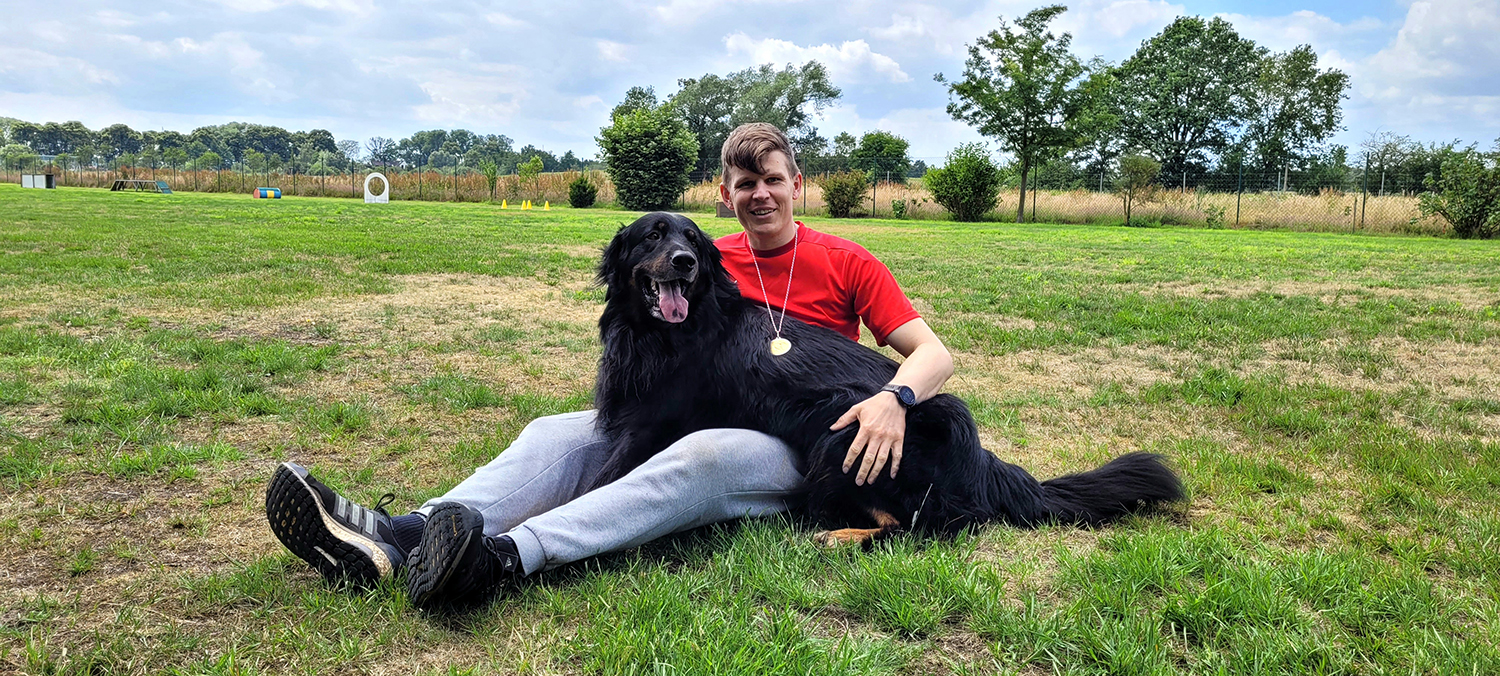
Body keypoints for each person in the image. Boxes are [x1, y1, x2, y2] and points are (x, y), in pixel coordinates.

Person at [264, 122, 954, 609]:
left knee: (698, 458)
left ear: (796, 184)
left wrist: (893, 400)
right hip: (703, 405)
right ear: (727, 194)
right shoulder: (702, 255)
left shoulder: (846, 261)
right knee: (557, 433)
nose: (762, 194)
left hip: (805, 435)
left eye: (774, 180)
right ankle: (402, 536)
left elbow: (935, 354)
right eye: (747, 183)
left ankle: (505, 558)